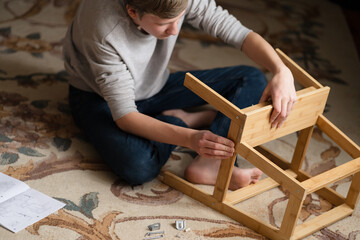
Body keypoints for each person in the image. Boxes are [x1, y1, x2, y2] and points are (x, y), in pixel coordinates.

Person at [63, 0, 297, 190]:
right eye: (164, 23)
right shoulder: (102, 30)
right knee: (137, 167)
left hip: (153, 84)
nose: (175, 30)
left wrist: (281, 69)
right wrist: (189, 138)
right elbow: (125, 116)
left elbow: (238, 33)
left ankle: (209, 163)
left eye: (180, 18)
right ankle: (180, 121)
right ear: (132, 12)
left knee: (252, 78)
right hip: (97, 97)